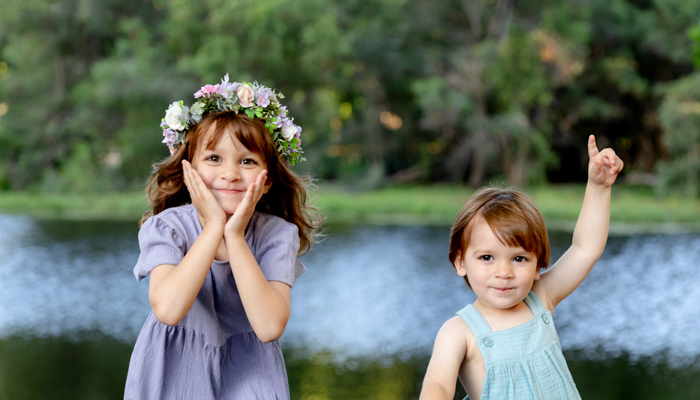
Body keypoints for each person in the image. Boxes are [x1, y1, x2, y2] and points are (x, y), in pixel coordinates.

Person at [124, 75, 321, 399]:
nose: (230, 174)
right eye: (214, 158)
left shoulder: (275, 235)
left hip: (249, 373)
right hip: (173, 374)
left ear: (268, 179)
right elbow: (169, 309)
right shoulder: (168, 227)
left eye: (247, 161)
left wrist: (236, 237)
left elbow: (270, 327)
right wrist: (213, 228)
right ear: (189, 169)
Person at [420, 135, 624, 400]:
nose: (503, 272)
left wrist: (598, 187)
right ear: (461, 262)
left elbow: (585, 248)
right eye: (487, 258)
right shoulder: (459, 331)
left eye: (518, 259)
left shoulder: (541, 299)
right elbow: (438, 385)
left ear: (538, 264)